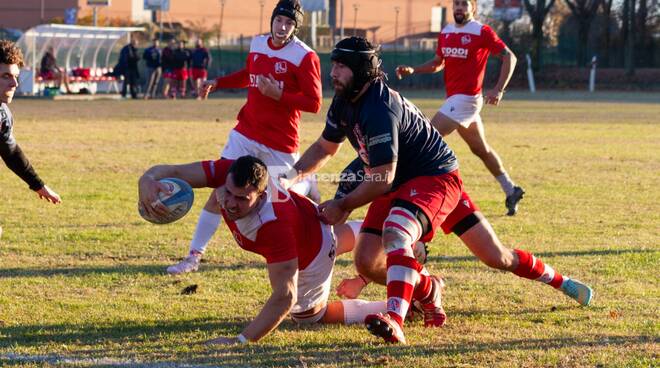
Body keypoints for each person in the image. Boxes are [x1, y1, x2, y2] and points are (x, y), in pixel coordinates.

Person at [284, 36, 464, 344]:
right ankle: (426, 289)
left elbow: (382, 176)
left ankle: (395, 318)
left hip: (432, 177)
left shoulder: (379, 107)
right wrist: (284, 178)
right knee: (367, 261)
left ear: (362, 70)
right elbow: (325, 147)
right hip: (394, 179)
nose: (333, 72)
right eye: (334, 64)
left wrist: (343, 205)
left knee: (395, 233)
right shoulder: (344, 99)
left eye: (341, 66)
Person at [138, 155, 388, 344]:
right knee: (331, 235)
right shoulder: (233, 172)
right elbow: (174, 171)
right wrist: (147, 180)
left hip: (313, 255)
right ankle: (385, 237)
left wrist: (241, 341)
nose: (230, 203)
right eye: (228, 192)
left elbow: (285, 297)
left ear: (259, 195)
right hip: (310, 219)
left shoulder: (272, 226)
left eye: (241, 199)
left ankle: (393, 308)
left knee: (311, 317)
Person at [165, 0, 322, 275]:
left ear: (296, 28)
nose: (283, 27)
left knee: (282, 200)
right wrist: (219, 83)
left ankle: (306, 183)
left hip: (280, 142)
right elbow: (248, 75)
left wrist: (279, 96)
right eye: (279, 21)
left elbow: (314, 103)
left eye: (289, 23)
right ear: (272, 20)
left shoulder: (305, 56)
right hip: (246, 132)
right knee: (221, 191)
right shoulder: (257, 44)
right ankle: (193, 257)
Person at [332, 157, 593, 312]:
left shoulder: (385, 116)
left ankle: (560, 281)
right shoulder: (362, 122)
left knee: (497, 257)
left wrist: (362, 281)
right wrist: (363, 278)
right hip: (394, 193)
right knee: (368, 259)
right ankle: (421, 294)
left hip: (436, 187)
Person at [395, 0, 524, 216]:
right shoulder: (446, 32)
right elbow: (439, 62)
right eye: (456, 4)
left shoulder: (481, 31)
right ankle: (511, 189)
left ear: (473, 7)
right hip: (457, 100)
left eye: (464, 4)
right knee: (481, 149)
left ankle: (407, 195)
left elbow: (509, 57)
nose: (459, 8)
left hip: (467, 99)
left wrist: (498, 89)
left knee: (425, 139)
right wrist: (414, 70)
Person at [0, 40, 61, 237]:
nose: (15, 83)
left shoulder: (3, 116)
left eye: (16, 76)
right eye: (6, 76)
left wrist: (38, 185)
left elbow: (11, 153)